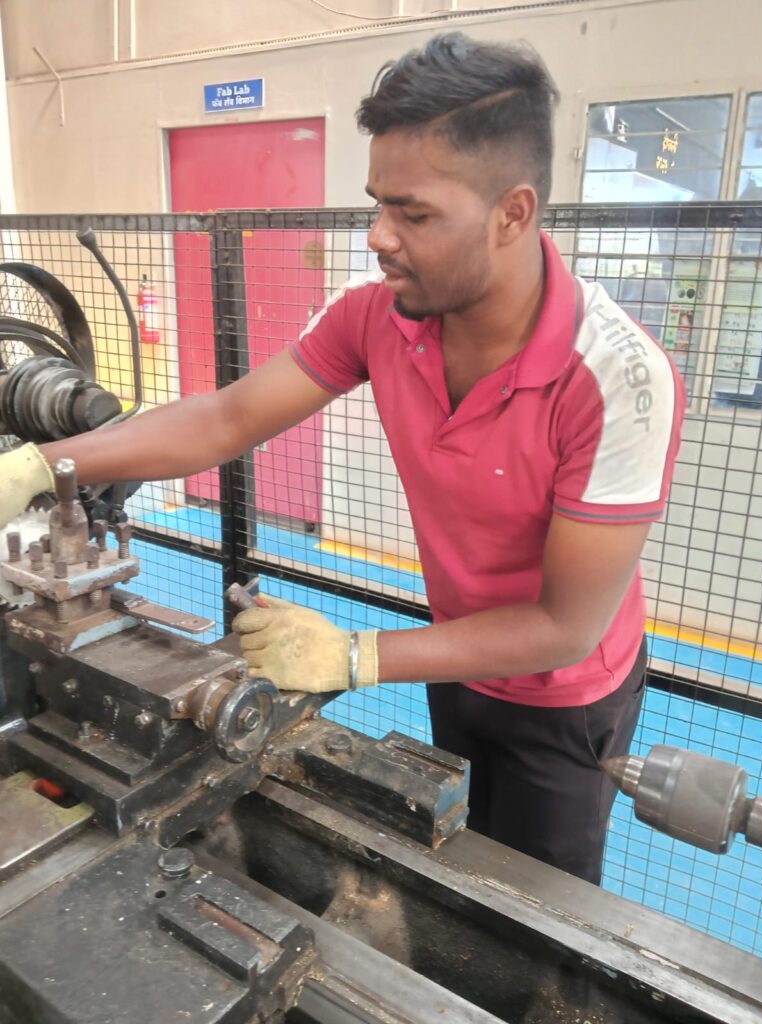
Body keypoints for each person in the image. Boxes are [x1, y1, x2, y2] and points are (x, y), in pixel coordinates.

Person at [0, 33, 684, 886]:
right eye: (376, 204)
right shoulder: (378, 314)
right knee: (460, 861)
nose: (377, 237)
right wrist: (41, 466)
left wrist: (355, 656)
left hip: (563, 697)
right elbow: (225, 418)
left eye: (413, 214)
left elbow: (563, 626)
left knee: (539, 909)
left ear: (512, 213)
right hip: (456, 654)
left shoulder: (618, 379)